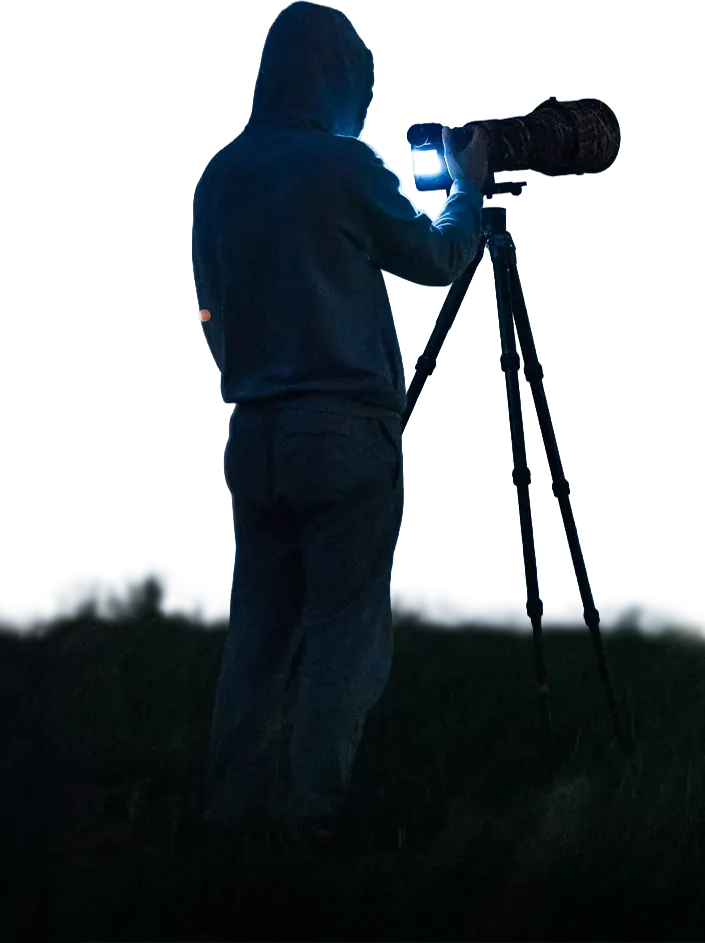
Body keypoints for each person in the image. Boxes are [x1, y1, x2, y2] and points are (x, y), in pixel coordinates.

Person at [191, 0, 489, 852]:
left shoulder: (226, 175)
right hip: (343, 426)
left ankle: (231, 811)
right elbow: (433, 258)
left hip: (256, 430)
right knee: (342, 635)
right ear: (338, 78)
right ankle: (310, 815)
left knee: (260, 631)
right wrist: (467, 191)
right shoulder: (337, 166)